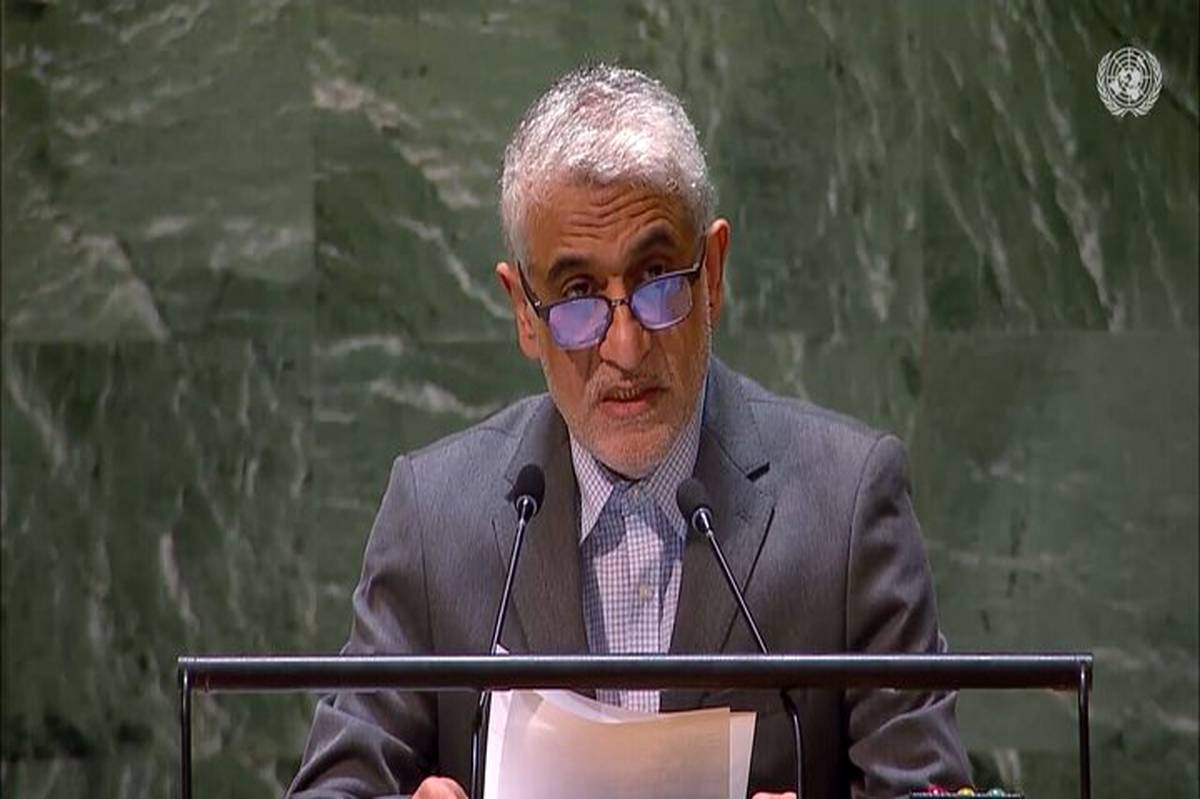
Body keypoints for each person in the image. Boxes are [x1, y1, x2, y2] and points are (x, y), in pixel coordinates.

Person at [288, 64, 970, 799]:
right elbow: (335, 786)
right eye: (578, 295)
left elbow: (927, 786)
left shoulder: (847, 501)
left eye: (657, 281)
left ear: (713, 272)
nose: (625, 346)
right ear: (523, 311)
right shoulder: (435, 515)